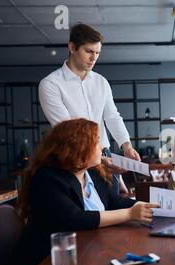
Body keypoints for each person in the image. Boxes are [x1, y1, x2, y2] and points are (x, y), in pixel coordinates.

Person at [6, 119, 158, 265]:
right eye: (97, 141)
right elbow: (75, 218)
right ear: (79, 147)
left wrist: (152, 207)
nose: (101, 147)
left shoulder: (91, 173)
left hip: (87, 256)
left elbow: (115, 202)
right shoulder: (47, 179)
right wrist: (130, 214)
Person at [38, 23, 139, 194]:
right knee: (86, 214)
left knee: (112, 208)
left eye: (97, 53)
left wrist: (127, 147)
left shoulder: (101, 82)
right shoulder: (50, 84)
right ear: (72, 47)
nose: (94, 58)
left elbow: (112, 116)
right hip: (74, 161)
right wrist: (99, 160)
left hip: (104, 154)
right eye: (89, 51)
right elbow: (67, 131)